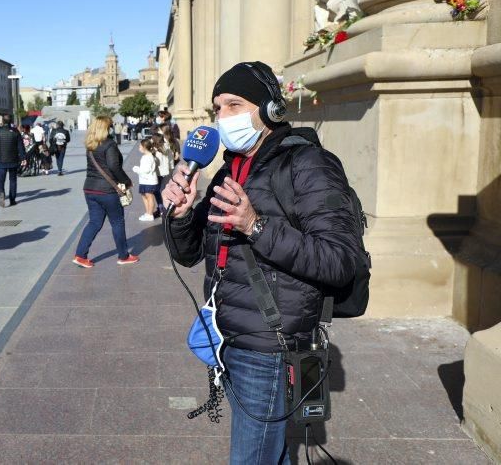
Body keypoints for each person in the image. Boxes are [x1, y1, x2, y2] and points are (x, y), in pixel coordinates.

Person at [162, 61, 361, 464]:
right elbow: (189, 254)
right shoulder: (226, 172)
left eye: (234, 105)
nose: (223, 118)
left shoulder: (309, 165)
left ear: (270, 110)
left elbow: (341, 261)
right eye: (217, 108)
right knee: (271, 454)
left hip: (270, 346)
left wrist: (256, 226)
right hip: (229, 336)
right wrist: (182, 215)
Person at [72, 116, 139, 268]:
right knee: (117, 222)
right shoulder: (109, 144)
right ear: (106, 128)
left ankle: (80, 255)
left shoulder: (91, 144)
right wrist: (127, 181)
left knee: (94, 222)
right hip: (107, 191)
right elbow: (114, 166)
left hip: (89, 188)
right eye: (109, 126)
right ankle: (123, 255)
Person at [0, 114, 25, 207]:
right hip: (13, 160)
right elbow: (21, 146)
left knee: (0, 180)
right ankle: (12, 199)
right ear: (11, 122)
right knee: (12, 180)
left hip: (1, 160)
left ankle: (1, 193)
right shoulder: (16, 132)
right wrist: (23, 158)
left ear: (2, 122)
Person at [132, 138, 160, 222]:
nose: (139, 148)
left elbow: (146, 170)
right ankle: (148, 212)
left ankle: (150, 214)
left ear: (144, 147)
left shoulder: (148, 157)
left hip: (149, 181)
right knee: (144, 196)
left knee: (149, 197)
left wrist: (136, 169)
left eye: (140, 146)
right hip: (145, 180)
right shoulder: (146, 156)